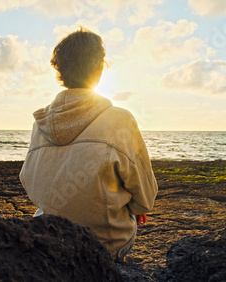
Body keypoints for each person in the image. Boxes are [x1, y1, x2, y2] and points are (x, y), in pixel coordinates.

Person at [19, 27, 158, 261]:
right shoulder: (120, 120)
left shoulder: (40, 123)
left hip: (50, 237)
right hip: (105, 245)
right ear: (99, 69)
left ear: (60, 70)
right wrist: (136, 209)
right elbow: (146, 198)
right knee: (129, 218)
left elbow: (28, 180)